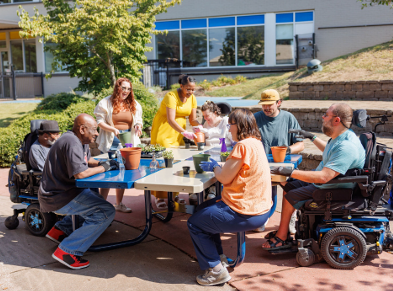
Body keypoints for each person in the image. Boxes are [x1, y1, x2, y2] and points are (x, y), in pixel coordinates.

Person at [262, 103, 365, 250]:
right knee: (287, 184)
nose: (322, 117)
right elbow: (330, 152)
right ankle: (284, 231)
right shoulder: (342, 136)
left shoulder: (347, 146)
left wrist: (288, 171)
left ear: (336, 120)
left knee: (289, 188)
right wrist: (311, 137)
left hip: (331, 188)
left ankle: (282, 236)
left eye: (326, 115)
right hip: (327, 184)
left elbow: (323, 177)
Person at [188, 108, 272, 286]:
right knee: (202, 209)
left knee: (195, 223)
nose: (228, 129)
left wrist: (213, 167)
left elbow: (224, 177)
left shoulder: (242, 146)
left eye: (230, 125)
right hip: (260, 208)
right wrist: (220, 167)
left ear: (239, 126)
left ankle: (216, 271)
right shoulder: (256, 142)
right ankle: (219, 258)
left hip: (244, 211)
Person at [39, 114, 119, 270]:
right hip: (58, 196)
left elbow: (84, 161)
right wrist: (104, 168)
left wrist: (102, 162)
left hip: (62, 192)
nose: (97, 133)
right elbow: (80, 174)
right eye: (94, 130)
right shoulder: (71, 142)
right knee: (106, 211)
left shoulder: (80, 140)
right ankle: (67, 251)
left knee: (96, 200)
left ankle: (61, 230)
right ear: (82, 129)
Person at [253, 89, 305, 233]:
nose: (266, 108)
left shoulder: (288, 118)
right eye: (264, 104)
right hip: (260, 165)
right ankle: (262, 217)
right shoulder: (255, 118)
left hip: (283, 165)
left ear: (279, 103)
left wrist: (286, 150)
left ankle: (291, 218)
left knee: (293, 186)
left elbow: (301, 144)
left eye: (270, 104)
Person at [150, 74, 200, 209]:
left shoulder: (192, 98)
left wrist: (199, 126)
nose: (191, 92)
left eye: (193, 89)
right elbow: (171, 119)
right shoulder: (170, 97)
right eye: (188, 89)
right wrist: (185, 133)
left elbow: (192, 119)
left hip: (178, 134)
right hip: (164, 131)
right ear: (181, 86)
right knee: (164, 162)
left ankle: (174, 195)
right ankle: (159, 196)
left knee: (178, 163)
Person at [94, 77, 143, 213]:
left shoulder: (132, 103)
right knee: (108, 172)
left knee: (123, 171)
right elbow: (99, 121)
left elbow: (138, 119)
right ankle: (101, 205)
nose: (126, 91)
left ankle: (119, 203)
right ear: (117, 88)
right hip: (111, 140)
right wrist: (113, 129)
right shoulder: (106, 102)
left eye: (128, 88)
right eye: (123, 88)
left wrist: (138, 126)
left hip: (128, 140)